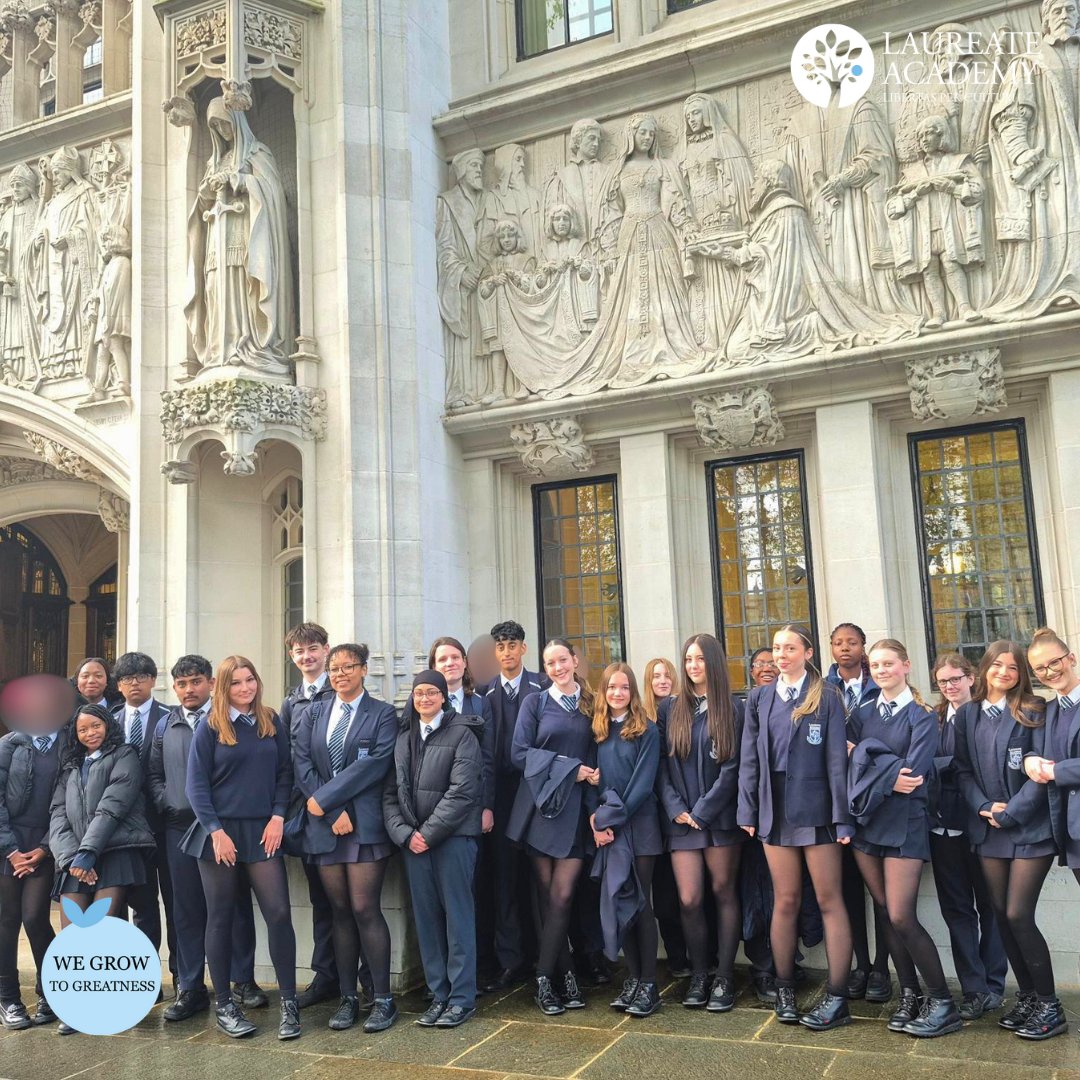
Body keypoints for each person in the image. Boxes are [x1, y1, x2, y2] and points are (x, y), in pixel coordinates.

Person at [738, 624, 854, 1032]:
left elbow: (838, 763)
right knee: (784, 900)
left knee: (829, 899)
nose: (781, 655)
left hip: (819, 813)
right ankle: (784, 988)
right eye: (776, 648)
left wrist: (843, 817)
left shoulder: (827, 696)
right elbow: (750, 760)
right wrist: (747, 812)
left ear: (807, 652)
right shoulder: (760, 697)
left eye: (789, 648)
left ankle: (838, 996)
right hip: (775, 812)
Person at [849, 640, 962, 1037]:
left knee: (901, 914)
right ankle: (910, 993)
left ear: (906, 666)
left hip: (906, 824)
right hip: (867, 822)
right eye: (875, 665)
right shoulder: (861, 713)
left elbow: (912, 776)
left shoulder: (921, 716)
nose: (881, 670)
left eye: (888, 664)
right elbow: (845, 758)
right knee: (883, 913)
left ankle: (943, 1001)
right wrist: (879, 771)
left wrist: (867, 764)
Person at [183, 656, 299, 1040]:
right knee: (220, 917)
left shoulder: (270, 720)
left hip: (264, 829)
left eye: (251, 679)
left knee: (279, 913)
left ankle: (289, 1004)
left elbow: (285, 774)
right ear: (222, 687)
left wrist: (279, 817)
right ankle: (225, 1007)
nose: (246, 688)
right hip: (220, 834)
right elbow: (196, 787)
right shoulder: (210, 726)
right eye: (237, 683)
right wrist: (215, 831)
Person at [954, 640, 1065, 1040]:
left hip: (1030, 829)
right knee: (1001, 916)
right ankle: (1030, 997)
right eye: (997, 665)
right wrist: (984, 806)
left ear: (1022, 674)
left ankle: (1050, 1005)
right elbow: (962, 770)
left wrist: (1011, 812)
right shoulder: (967, 716)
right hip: (989, 828)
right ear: (984, 669)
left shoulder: (1035, 711)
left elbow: (1044, 770)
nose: (1004, 672)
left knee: (1019, 914)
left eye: (1013, 667)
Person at [148, 655, 262, 1023]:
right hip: (181, 831)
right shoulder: (166, 725)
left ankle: (243, 981)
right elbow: (153, 774)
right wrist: (169, 801)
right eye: (181, 684)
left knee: (235, 907)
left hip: (226, 831)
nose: (188, 689)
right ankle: (192, 987)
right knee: (186, 909)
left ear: (212, 683)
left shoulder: (230, 720)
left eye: (196, 681)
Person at [292, 643, 398, 1033]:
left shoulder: (384, 714)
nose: (339, 674)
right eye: (334, 669)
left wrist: (326, 799)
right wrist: (330, 810)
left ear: (364, 670)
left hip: (365, 825)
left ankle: (383, 999)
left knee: (364, 908)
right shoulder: (315, 711)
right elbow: (301, 761)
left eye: (348, 667)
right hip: (326, 825)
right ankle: (348, 998)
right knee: (338, 912)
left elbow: (375, 764)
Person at [383, 670, 484, 1028]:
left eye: (431, 693)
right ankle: (438, 995)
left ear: (444, 697)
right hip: (414, 844)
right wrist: (405, 835)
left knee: (458, 918)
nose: (424, 699)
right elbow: (391, 794)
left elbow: (462, 792)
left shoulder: (463, 735)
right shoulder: (404, 738)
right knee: (426, 921)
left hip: (453, 840)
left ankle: (461, 998)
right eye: (418, 693)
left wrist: (427, 833)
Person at [50, 704, 155, 1034]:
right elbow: (57, 817)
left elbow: (113, 806)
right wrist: (72, 860)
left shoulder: (124, 755)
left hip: (115, 852)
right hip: (77, 862)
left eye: (95, 726)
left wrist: (88, 853)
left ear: (107, 725)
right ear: (76, 735)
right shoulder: (70, 767)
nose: (90, 733)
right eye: (82, 730)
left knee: (105, 929)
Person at [507, 638, 598, 1015]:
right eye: (550, 663)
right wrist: (569, 768)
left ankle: (548, 976)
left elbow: (600, 751)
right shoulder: (536, 702)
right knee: (547, 900)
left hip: (577, 812)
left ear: (575, 661)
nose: (557, 667)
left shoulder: (593, 703)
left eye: (563, 660)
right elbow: (518, 753)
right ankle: (562, 976)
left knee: (562, 897)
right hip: (543, 811)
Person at [656, 634, 745, 1013]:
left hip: (719, 819)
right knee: (689, 898)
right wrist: (676, 806)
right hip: (680, 820)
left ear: (713, 664)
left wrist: (705, 810)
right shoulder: (671, 708)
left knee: (724, 892)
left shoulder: (733, 709)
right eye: (688, 660)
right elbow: (658, 763)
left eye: (700, 660)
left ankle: (724, 976)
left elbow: (734, 767)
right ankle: (699, 973)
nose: (693, 666)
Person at [928, 652, 1007, 1020]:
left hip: (980, 826)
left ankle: (994, 984)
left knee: (992, 907)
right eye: (943, 681)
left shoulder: (983, 715)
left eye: (955, 678)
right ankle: (973, 988)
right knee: (957, 910)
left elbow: (975, 768)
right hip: (943, 828)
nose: (950, 686)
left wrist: (940, 767)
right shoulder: (935, 717)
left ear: (972, 677)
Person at [588, 663, 662, 1017]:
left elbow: (642, 786)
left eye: (624, 687)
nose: (617, 693)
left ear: (632, 692)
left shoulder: (646, 731)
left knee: (640, 903)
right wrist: (595, 821)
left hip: (639, 827)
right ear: (603, 692)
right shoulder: (599, 731)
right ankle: (632, 979)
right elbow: (593, 781)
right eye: (611, 687)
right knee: (622, 903)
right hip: (609, 828)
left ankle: (649, 984)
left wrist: (610, 820)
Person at [477, 620, 547, 992]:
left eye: (513, 645)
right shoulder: (484, 694)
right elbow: (485, 756)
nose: (506, 652)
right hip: (503, 796)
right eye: (500, 646)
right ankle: (511, 960)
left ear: (523, 649)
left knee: (543, 878)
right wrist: (487, 804)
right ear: (496, 652)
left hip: (538, 792)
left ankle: (549, 956)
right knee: (504, 878)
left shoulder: (543, 685)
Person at [278, 622, 344, 1009]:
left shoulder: (341, 690)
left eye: (314, 648)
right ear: (292, 656)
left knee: (352, 901)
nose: (307, 656)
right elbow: (290, 760)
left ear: (326, 649)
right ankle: (327, 975)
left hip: (347, 810)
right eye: (300, 651)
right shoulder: (291, 702)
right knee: (322, 897)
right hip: (311, 813)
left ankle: (362, 975)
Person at [824, 624, 891, 1005]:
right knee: (847, 892)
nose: (844, 648)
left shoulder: (877, 686)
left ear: (862, 647)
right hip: (838, 805)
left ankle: (882, 966)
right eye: (837, 642)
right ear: (830, 648)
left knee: (881, 895)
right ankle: (860, 965)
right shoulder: (823, 688)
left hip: (874, 804)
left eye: (851, 642)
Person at [111, 652, 174, 994]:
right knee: (137, 905)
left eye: (141, 676)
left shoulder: (171, 717)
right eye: (126, 678)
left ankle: (184, 980)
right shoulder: (106, 720)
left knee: (176, 904)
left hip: (165, 826)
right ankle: (142, 981)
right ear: (118, 686)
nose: (134, 683)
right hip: (122, 831)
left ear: (152, 680)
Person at [0, 712, 64, 1028]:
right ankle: (8, 999)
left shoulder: (69, 746)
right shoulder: (8, 745)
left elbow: (68, 803)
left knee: (35, 916)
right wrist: (10, 851)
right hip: (7, 844)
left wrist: (43, 848)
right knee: (7, 920)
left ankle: (50, 992)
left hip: (46, 843)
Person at [641, 657, 688, 979]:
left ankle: (697, 955)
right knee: (665, 898)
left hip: (683, 818)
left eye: (667, 674)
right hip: (652, 819)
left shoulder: (683, 714)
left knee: (688, 893)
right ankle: (677, 958)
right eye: (656, 675)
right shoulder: (643, 718)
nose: (663, 679)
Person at [1026, 628, 1080, 888]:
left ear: (1071, 658)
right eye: (1039, 668)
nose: (1049, 672)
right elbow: (1034, 750)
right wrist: (1029, 760)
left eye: (1054, 662)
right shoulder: (1047, 712)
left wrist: (1056, 772)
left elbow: (1054, 768)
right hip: (1071, 834)